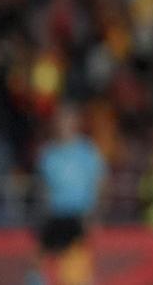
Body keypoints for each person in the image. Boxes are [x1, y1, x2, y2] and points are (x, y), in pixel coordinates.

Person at [36, 103, 106, 285]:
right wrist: (44, 214)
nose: (63, 123)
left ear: (76, 122)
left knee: (77, 270)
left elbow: (100, 183)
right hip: (56, 215)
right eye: (60, 119)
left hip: (80, 216)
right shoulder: (48, 154)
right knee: (39, 268)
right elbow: (44, 188)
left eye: (68, 118)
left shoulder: (88, 151)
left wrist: (94, 213)